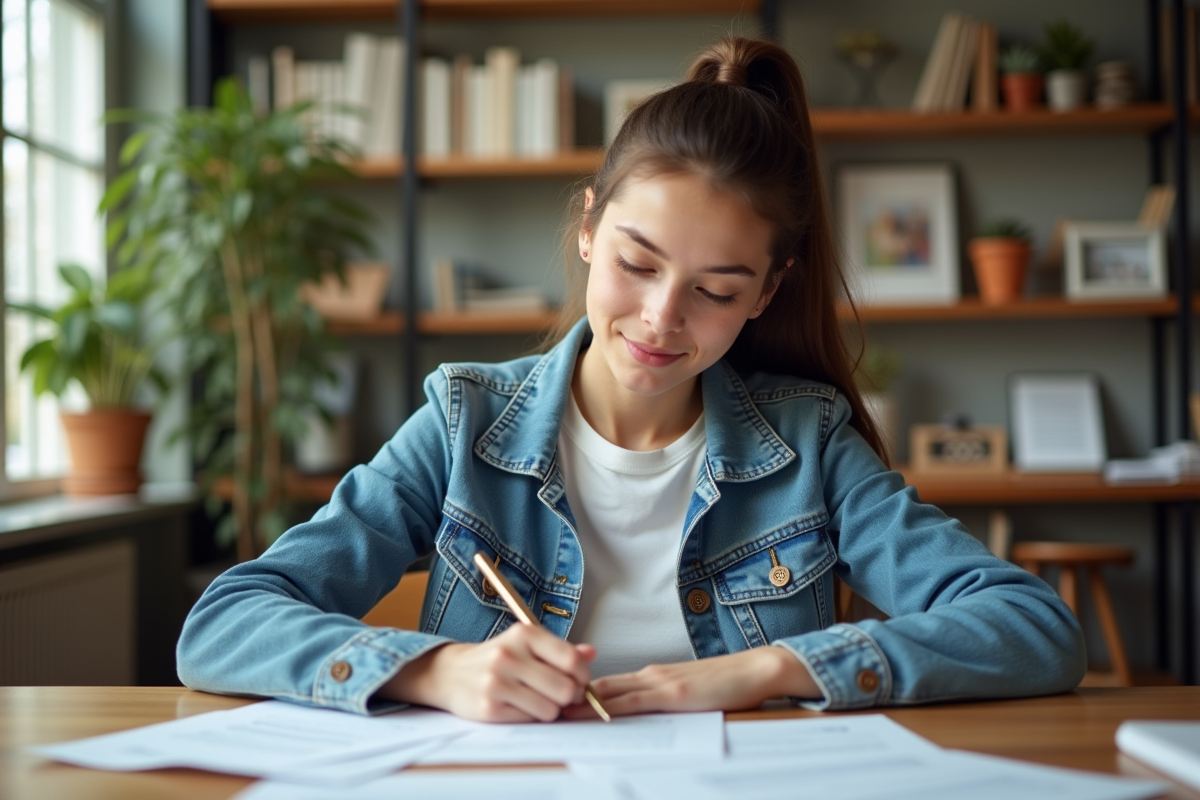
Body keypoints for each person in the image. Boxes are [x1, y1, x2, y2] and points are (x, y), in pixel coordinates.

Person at [177, 37, 1086, 722]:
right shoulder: (464, 423)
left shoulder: (810, 445)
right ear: (587, 227)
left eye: (716, 290)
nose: (660, 319)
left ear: (767, 292)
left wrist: (773, 669)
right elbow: (223, 625)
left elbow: (1033, 626)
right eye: (636, 263)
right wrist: (431, 670)